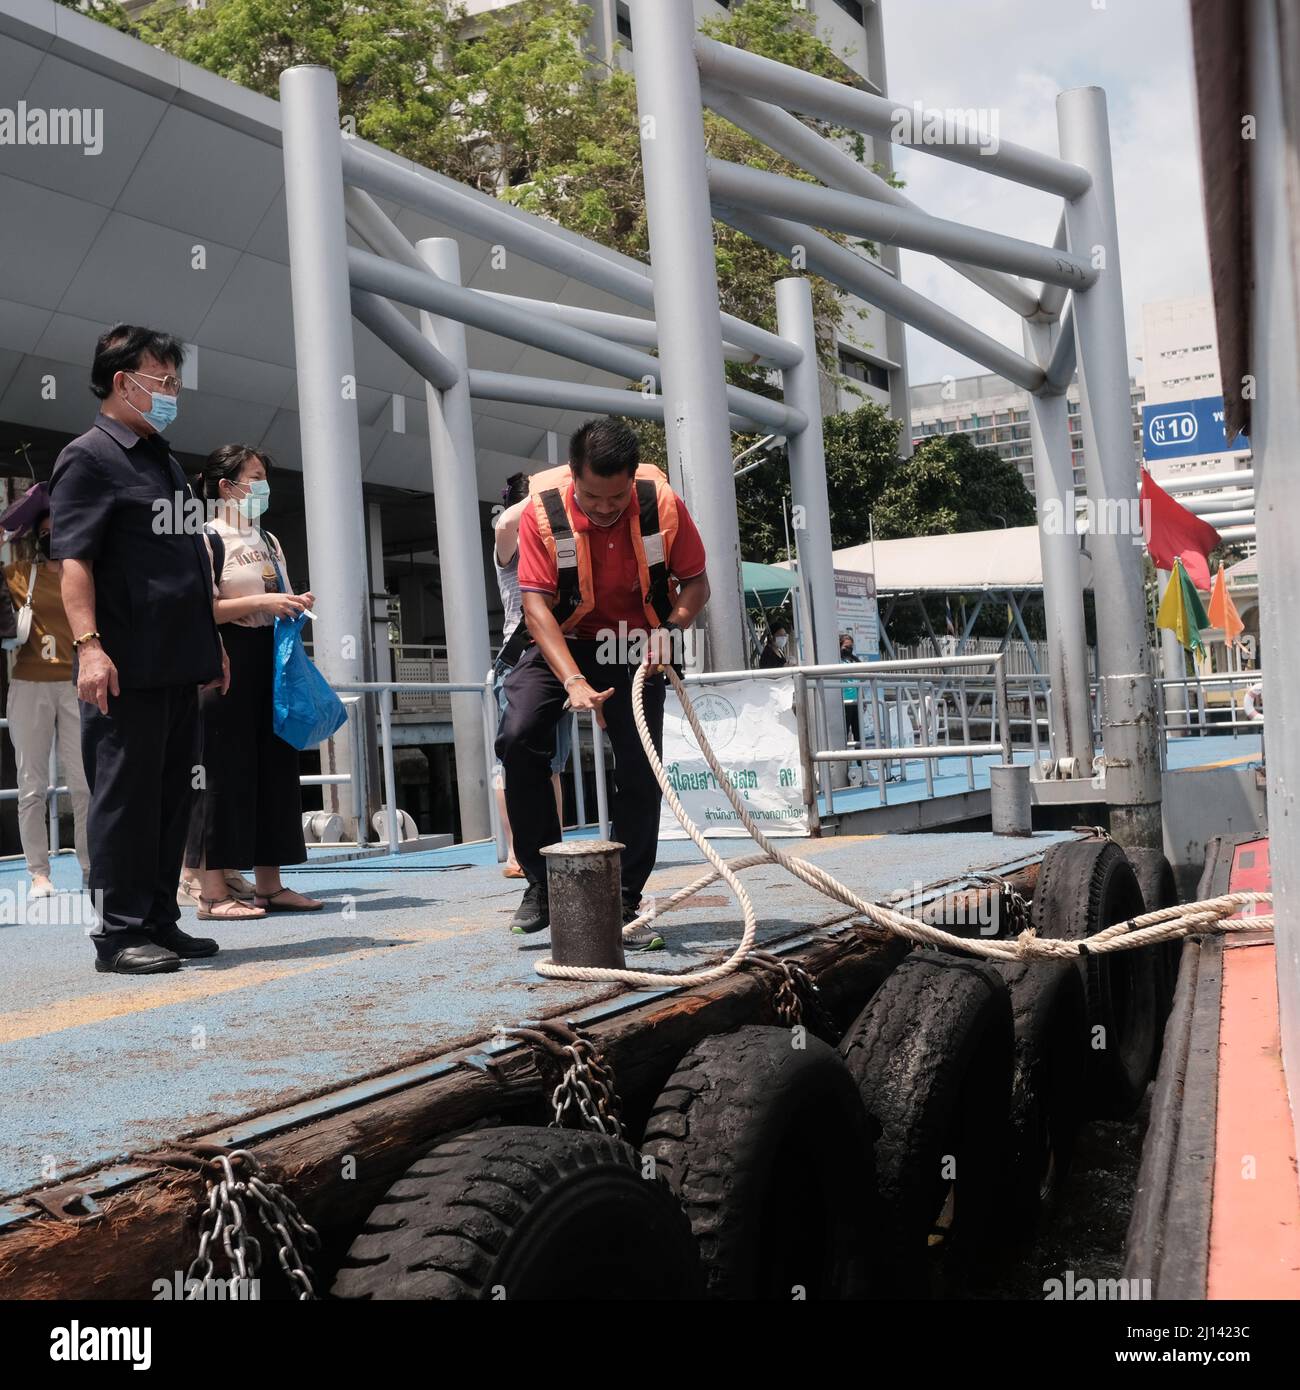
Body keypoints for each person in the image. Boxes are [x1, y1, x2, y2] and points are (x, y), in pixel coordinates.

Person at [48, 325, 228, 975]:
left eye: (176, 381)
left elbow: (186, 561)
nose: (173, 392)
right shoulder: (88, 457)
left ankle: (159, 920)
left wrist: (212, 643)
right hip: (125, 666)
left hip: (180, 661)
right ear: (124, 383)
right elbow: (74, 563)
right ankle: (118, 934)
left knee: (170, 797)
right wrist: (89, 647)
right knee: (124, 798)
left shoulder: (164, 459)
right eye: (164, 381)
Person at [496, 418, 710, 948]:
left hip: (637, 642)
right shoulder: (541, 513)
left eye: (617, 497)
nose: (607, 508)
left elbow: (697, 582)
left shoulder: (662, 504)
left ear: (632, 479)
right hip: (560, 640)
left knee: (641, 766)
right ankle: (543, 884)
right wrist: (570, 679)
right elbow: (535, 606)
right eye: (594, 497)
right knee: (518, 737)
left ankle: (624, 897)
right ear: (574, 477)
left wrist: (670, 630)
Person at [184, 444, 323, 919]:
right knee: (219, 771)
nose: (263, 487)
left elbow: (272, 593)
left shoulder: (270, 540)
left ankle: (270, 884)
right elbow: (204, 608)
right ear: (227, 486)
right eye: (256, 477)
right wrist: (263, 604)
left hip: (271, 656)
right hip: (227, 656)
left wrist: (291, 600)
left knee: (275, 766)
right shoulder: (206, 538)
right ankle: (212, 893)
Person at [1, 485, 90, 896]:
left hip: (76, 685)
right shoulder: (19, 575)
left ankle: (92, 868)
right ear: (36, 537)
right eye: (47, 533)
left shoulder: (87, 574)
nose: (54, 539)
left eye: (61, 531)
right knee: (32, 784)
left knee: (85, 784)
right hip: (29, 685)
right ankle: (39, 872)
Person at [492, 471, 571, 877]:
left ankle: (551, 847)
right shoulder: (509, 540)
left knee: (552, 763)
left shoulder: (556, 542)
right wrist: (553, 489)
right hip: (519, 657)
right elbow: (506, 524)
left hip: (558, 658)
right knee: (514, 760)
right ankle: (515, 852)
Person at [839, 632, 862, 744]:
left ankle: (861, 761)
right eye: (846, 647)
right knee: (844, 731)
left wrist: (861, 697)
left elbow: (858, 680)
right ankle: (844, 760)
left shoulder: (851, 660)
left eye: (851, 647)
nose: (849, 649)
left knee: (859, 733)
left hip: (856, 701)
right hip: (844, 702)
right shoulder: (837, 661)